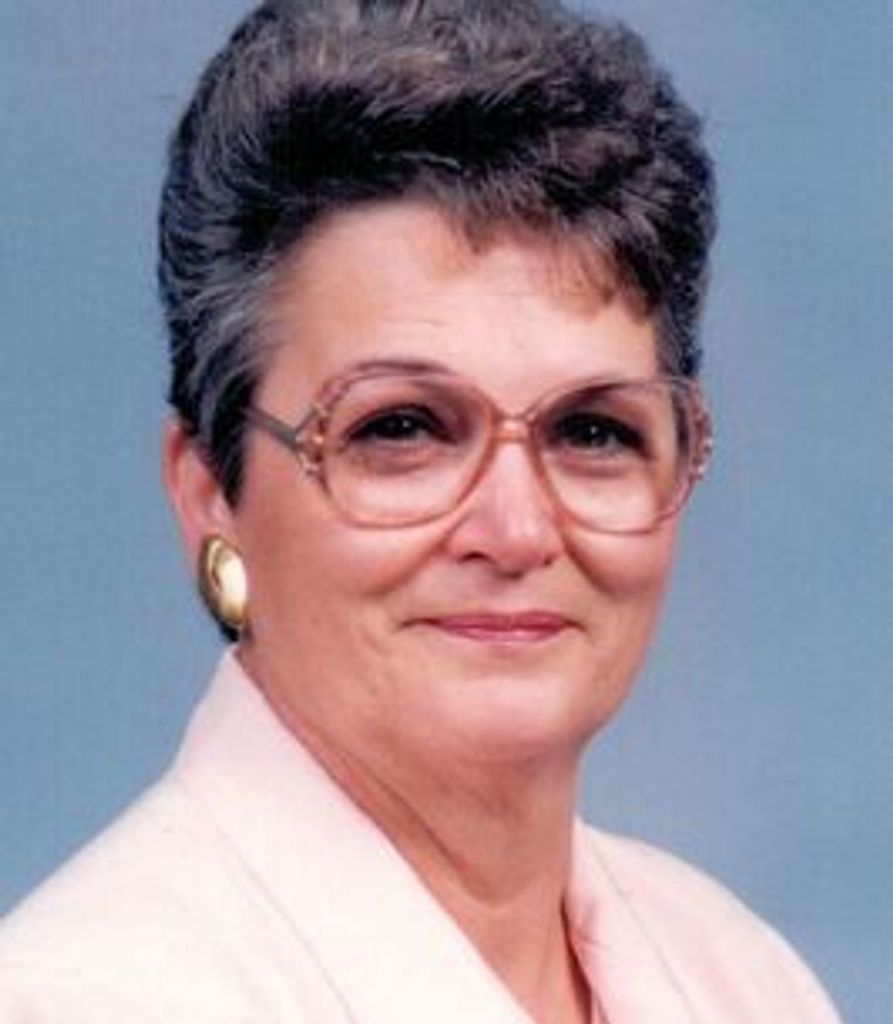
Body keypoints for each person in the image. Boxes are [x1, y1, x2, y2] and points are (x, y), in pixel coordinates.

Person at [0, 1, 842, 1021]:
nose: (516, 531)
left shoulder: (737, 977)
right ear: (210, 491)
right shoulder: (81, 996)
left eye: (591, 431)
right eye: (400, 428)